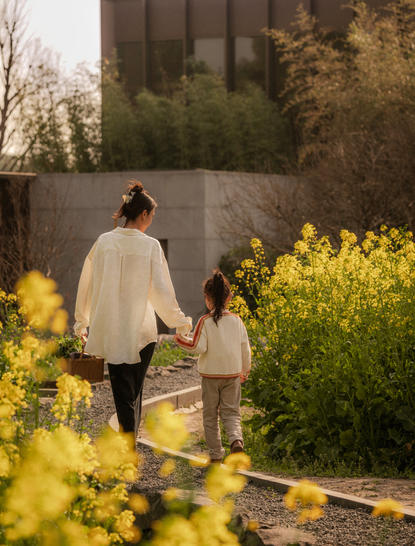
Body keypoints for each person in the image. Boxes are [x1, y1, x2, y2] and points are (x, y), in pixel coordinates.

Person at [74, 180, 192, 437]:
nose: (152, 220)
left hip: (111, 331)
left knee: (124, 392)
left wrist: (82, 323)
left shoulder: (104, 242)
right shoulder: (150, 246)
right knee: (132, 392)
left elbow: (87, 285)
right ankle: (129, 446)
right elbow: (161, 291)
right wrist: (179, 322)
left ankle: (129, 445)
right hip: (141, 331)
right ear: (144, 214)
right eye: (152, 215)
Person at [174, 270, 251, 462]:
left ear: (207, 298)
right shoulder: (237, 320)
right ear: (229, 298)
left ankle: (216, 455)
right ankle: (235, 440)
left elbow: (197, 346)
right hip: (232, 374)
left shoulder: (205, 321)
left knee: (210, 417)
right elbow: (245, 348)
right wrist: (245, 370)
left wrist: (179, 339)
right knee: (232, 412)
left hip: (210, 377)